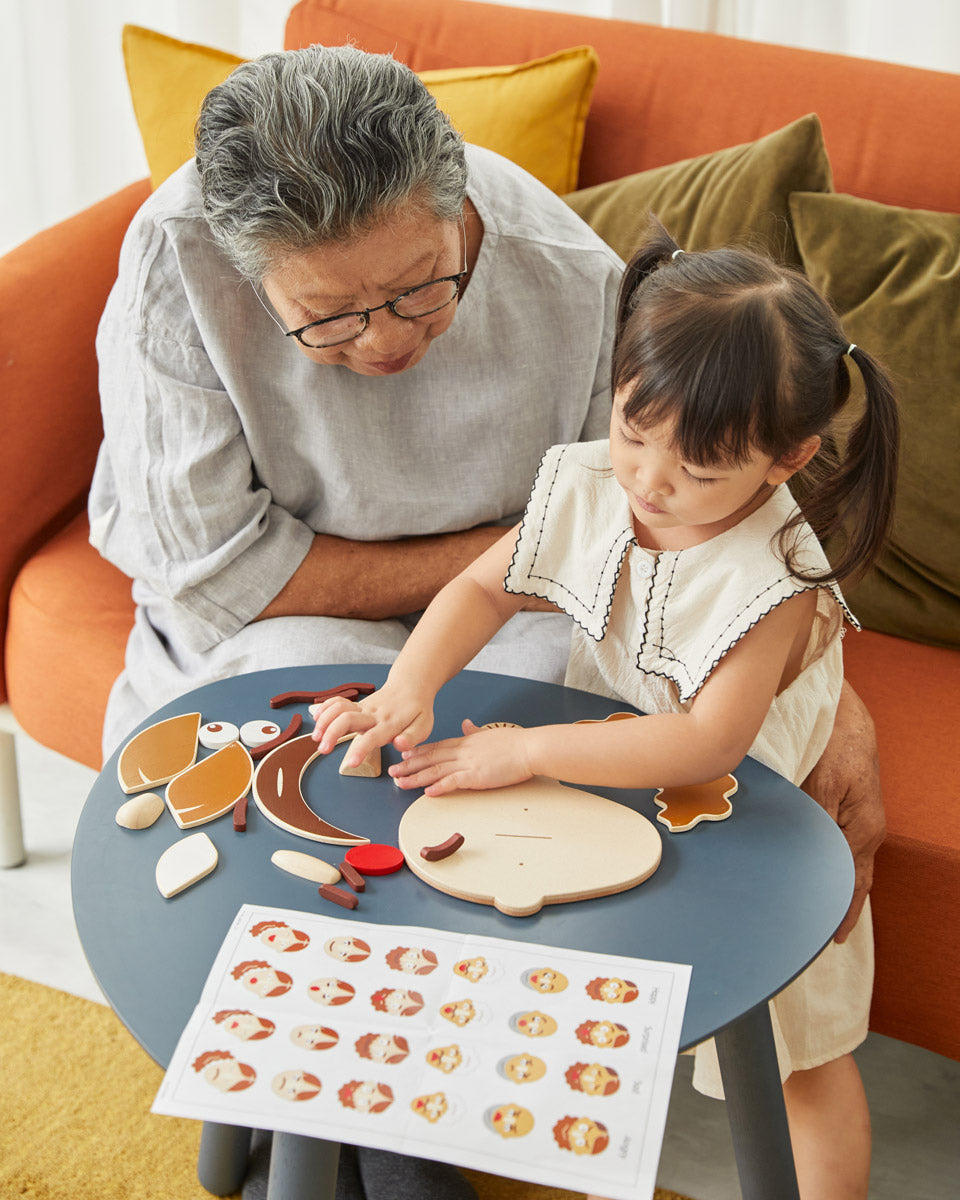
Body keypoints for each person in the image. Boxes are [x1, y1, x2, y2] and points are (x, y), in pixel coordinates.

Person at [88, 40, 881, 1198]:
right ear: (249, 273)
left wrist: (828, 687)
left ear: (455, 201)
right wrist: (494, 593)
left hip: (542, 609)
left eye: (421, 286)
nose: (388, 338)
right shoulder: (177, 258)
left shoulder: (572, 276)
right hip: (318, 606)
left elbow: (709, 520)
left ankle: (364, 1129)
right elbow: (213, 574)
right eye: (329, 319)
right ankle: (374, 1132)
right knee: (295, 760)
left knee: (477, 799)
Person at [312, 220, 900, 1200]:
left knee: (799, 1060)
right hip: (608, 778)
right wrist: (406, 687)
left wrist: (529, 752)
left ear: (786, 459)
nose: (649, 479)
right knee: (595, 990)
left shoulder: (778, 575)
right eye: (633, 429)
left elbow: (711, 741)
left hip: (758, 819)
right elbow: (478, 590)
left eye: (699, 469)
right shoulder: (597, 483)